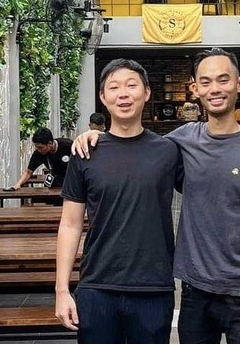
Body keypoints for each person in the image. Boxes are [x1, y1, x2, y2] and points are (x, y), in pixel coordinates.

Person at [72, 48, 240, 343]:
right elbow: (137, 147)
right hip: (194, 288)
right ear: (195, 89)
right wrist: (98, 137)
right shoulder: (183, 139)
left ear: (239, 83)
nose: (215, 89)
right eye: (206, 82)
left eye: (223, 80)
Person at [55, 59, 182, 344]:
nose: (123, 94)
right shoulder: (85, 153)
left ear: (146, 93)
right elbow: (70, 224)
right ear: (103, 97)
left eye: (131, 85)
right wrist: (62, 290)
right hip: (97, 286)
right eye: (114, 87)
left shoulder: (168, 151)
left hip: (153, 287)